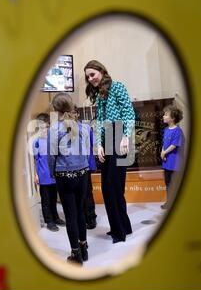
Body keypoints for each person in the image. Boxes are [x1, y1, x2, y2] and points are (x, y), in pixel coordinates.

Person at [84, 60, 135, 244]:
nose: (90, 79)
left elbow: (129, 112)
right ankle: (122, 226)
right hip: (107, 138)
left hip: (120, 133)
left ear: (102, 70)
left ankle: (119, 233)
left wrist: (125, 137)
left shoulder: (117, 87)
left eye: (92, 74)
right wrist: (98, 145)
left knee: (113, 187)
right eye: (88, 77)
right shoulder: (99, 95)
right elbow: (99, 123)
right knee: (110, 188)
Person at [47, 94, 90, 265]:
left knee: (70, 215)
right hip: (82, 173)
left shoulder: (54, 130)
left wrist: (52, 174)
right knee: (80, 212)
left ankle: (76, 255)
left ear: (56, 110)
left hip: (64, 176)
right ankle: (84, 248)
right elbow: (87, 151)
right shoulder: (84, 127)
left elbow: (51, 156)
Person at [33, 113, 66, 231]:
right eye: (42, 127)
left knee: (53, 198)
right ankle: (49, 221)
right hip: (43, 175)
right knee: (46, 200)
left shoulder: (53, 140)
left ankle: (56, 217)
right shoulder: (36, 142)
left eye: (46, 127)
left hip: (54, 175)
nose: (44, 129)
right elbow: (36, 159)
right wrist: (36, 174)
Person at [74, 108, 98, 229]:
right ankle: (81, 218)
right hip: (72, 167)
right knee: (77, 194)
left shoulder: (86, 128)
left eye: (73, 112)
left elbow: (93, 143)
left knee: (87, 193)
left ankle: (91, 218)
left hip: (85, 165)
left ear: (77, 114)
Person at [160, 104, 184, 209]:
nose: (163, 117)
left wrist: (164, 153)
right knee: (168, 183)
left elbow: (174, 145)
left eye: (166, 115)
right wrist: (162, 152)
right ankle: (169, 202)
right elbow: (164, 143)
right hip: (166, 162)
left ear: (173, 117)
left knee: (173, 184)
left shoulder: (177, 131)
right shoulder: (165, 130)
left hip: (174, 163)